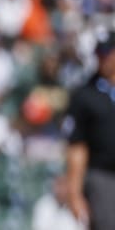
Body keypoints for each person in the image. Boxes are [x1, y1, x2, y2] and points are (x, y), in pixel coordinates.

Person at [63, 28, 115, 230]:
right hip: (104, 177)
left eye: (108, 52)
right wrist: (74, 193)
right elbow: (77, 148)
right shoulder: (85, 95)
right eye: (100, 53)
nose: (104, 58)